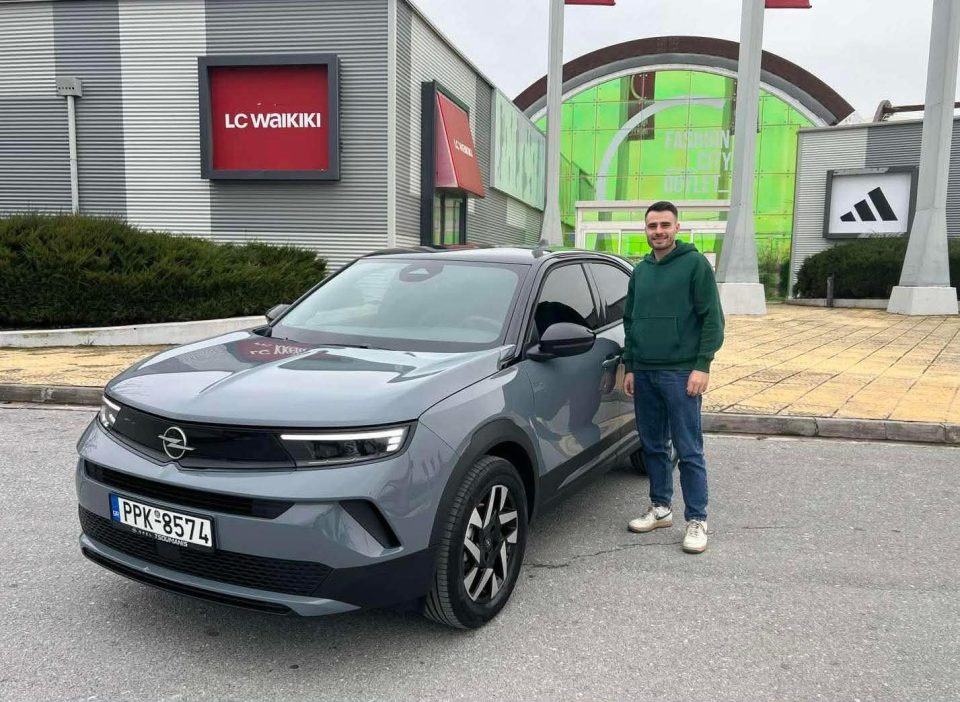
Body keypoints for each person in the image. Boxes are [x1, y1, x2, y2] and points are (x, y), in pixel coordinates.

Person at [622, 201, 724, 554]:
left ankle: (697, 519)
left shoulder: (695, 265)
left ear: (677, 228)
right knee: (653, 445)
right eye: (653, 226)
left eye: (665, 225)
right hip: (645, 372)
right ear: (646, 230)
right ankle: (661, 507)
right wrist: (630, 365)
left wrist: (702, 365)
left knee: (689, 448)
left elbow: (712, 319)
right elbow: (630, 321)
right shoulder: (640, 272)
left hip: (681, 372)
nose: (659, 231)